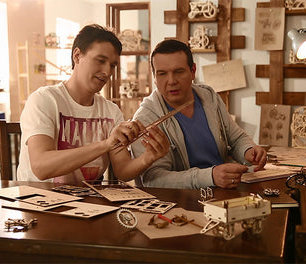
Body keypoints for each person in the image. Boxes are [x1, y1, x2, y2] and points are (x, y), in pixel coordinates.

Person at [17, 24, 169, 185]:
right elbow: (41, 167)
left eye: (112, 65)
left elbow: (122, 171)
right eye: (100, 60)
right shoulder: (44, 99)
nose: (107, 72)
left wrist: (149, 157)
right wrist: (105, 144)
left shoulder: (111, 111)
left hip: (87, 204)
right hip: (37, 202)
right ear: (77, 56)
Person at [131, 39, 267, 189]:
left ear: (193, 71)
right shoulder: (146, 118)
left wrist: (248, 150)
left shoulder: (208, 96)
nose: (171, 81)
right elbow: (153, 179)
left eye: (178, 71)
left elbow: (235, 138)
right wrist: (210, 177)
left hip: (225, 190)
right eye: (162, 74)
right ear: (154, 78)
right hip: (182, 202)